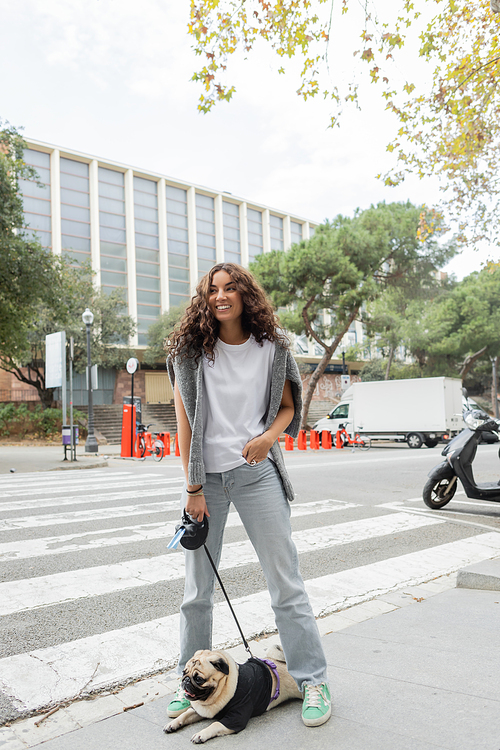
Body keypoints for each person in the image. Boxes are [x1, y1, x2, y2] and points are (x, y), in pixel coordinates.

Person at [165, 262, 331, 727]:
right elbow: (183, 425)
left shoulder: (273, 347)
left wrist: (268, 438)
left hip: (257, 474)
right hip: (208, 482)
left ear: (245, 295)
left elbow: (288, 407)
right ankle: (190, 683)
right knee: (197, 591)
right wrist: (192, 488)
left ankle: (313, 679)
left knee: (285, 582)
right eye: (212, 290)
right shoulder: (188, 352)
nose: (220, 296)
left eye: (230, 288)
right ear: (205, 298)